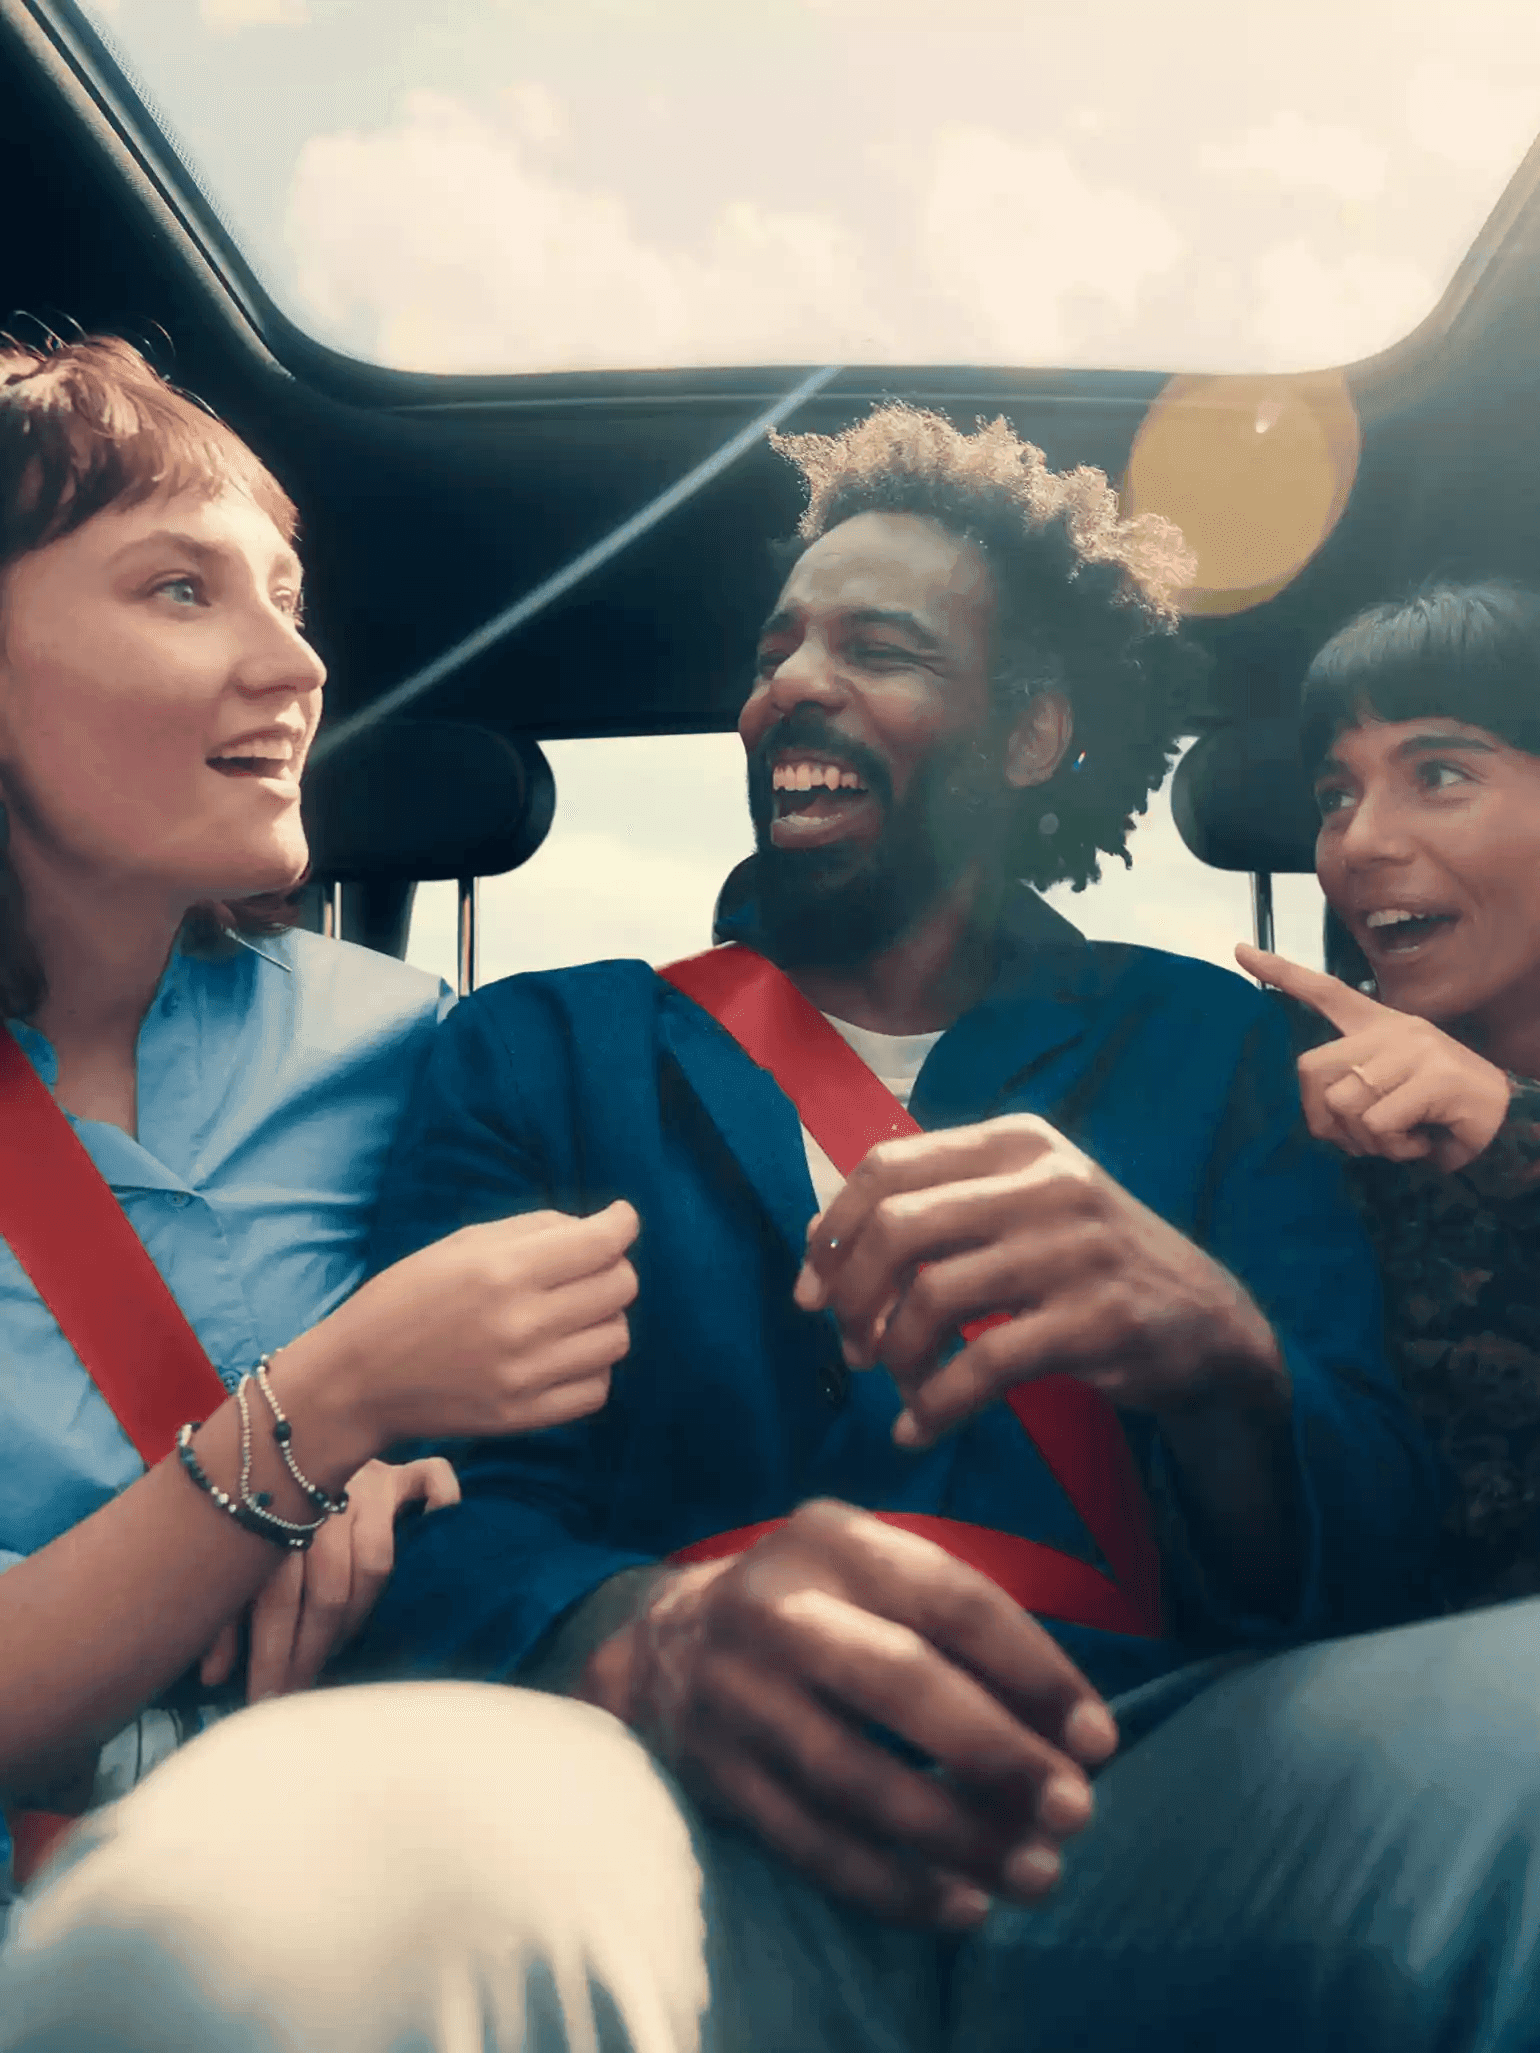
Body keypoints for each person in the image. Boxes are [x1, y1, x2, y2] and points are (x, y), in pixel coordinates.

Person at [11, 410, 1540, 2053]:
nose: (790, 685)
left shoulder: (1219, 1048)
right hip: (654, 1813)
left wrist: (1227, 1363)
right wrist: (642, 1635)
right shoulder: (545, 1045)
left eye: (879, 647)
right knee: (239, 1931)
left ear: (1031, 731)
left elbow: (1389, 1553)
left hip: (1166, 1783)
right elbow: (431, 1525)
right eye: (776, 649)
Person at [0, 336, 640, 1918]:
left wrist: (423, 1482)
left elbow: (539, 1492)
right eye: (181, 590)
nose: (296, 666)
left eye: (287, 601)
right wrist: (334, 1406)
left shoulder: (417, 1045)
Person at [1240, 579, 1540, 1614]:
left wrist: (1510, 1129)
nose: (1359, 841)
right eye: (1334, 796)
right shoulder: (1274, 1082)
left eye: (1439, 773)